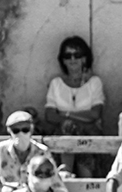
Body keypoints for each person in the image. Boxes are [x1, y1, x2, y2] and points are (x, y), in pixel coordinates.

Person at [43, 36, 104, 178]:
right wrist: (76, 119)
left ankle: (70, 173)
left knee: (71, 128)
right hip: (62, 132)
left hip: (89, 132)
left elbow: (95, 114)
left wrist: (66, 115)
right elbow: (49, 115)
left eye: (77, 55)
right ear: (63, 60)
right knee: (68, 128)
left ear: (84, 58)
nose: (72, 59)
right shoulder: (56, 83)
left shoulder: (94, 82)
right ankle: (70, 175)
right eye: (67, 56)